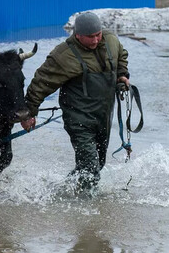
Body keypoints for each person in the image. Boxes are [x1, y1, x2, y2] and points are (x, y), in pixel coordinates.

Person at [21, 12, 130, 190]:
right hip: (79, 119)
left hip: (104, 115)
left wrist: (121, 75)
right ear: (77, 35)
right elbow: (41, 83)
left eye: (97, 35)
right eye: (90, 37)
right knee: (90, 168)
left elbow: (122, 55)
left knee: (97, 165)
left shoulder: (111, 40)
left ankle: (63, 189)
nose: (95, 40)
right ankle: (87, 211)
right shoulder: (63, 55)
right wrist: (29, 113)